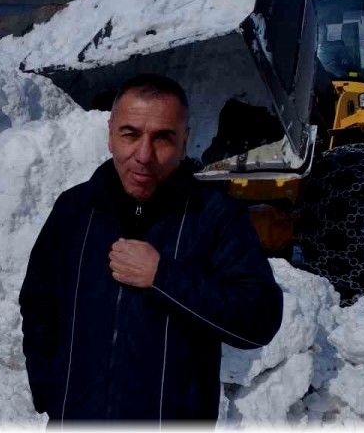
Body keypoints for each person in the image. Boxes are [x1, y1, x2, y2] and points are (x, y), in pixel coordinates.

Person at [18, 73, 283, 423]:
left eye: (163, 138)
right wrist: (49, 391)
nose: (144, 155)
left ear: (185, 141)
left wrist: (163, 277)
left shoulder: (216, 217)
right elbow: (39, 302)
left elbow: (258, 319)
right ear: (110, 134)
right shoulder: (74, 210)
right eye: (130, 134)